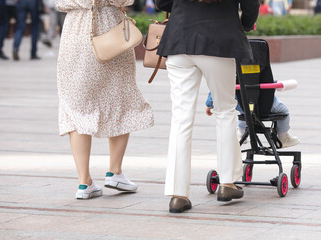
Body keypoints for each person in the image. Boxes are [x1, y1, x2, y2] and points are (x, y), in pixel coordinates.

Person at [155, 0, 259, 213]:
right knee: (225, 111)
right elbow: (251, 5)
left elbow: (161, 2)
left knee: (181, 119)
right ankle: (227, 183)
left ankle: (178, 194)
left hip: (180, 38)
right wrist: (246, 23)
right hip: (219, 39)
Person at [55, 0, 154, 199]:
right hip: (110, 34)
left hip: (74, 35)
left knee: (77, 106)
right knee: (119, 98)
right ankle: (115, 171)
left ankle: (84, 182)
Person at [205, 93, 300, 148]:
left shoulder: (227, 65)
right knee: (284, 111)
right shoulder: (259, 61)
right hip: (264, 102)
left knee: (245, 112)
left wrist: (210, 103)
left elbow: (215, 86)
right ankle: (283, 137)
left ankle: (242, 133)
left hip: (241, 103)